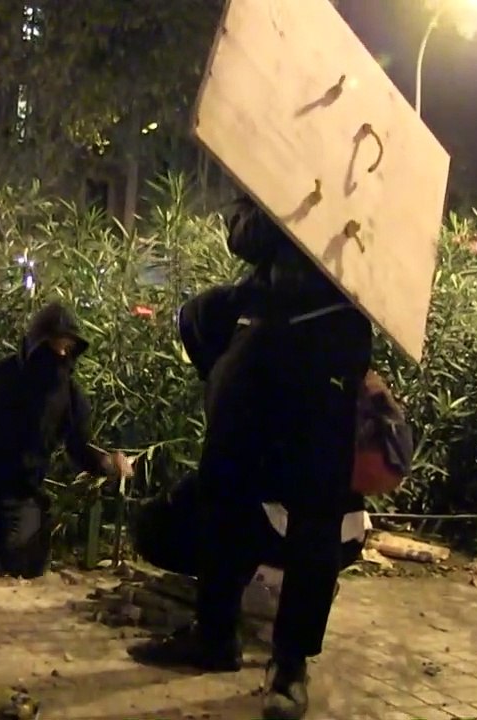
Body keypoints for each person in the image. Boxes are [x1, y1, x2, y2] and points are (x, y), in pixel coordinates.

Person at [128, 197, 373, 720]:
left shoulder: (377, 172)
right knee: (224, 491)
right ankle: (215, 635)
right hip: (265, 331)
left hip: (334, 336)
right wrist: (293, 204)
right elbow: (243, 235)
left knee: (316, 513)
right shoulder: (279, 159)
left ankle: (290, 664)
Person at [0, 302, 132, 579]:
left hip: (19, 497)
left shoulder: (70, 398)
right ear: (37, 345)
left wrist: (107, 463)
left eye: (67, 348)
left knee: (25, 563)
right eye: (55, 346)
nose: (61, 355)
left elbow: (80, 446)